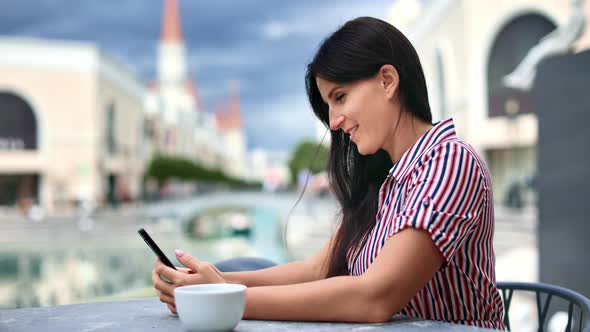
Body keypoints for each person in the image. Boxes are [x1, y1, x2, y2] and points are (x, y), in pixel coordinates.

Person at [152, 16, 505, 330]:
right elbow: (316, 270)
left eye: (340, 97)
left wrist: (225, 299)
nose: (334, 123)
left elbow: (375, 297)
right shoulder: (388, 183)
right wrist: (211, 281)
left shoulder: (450, 161)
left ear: (387, 81)